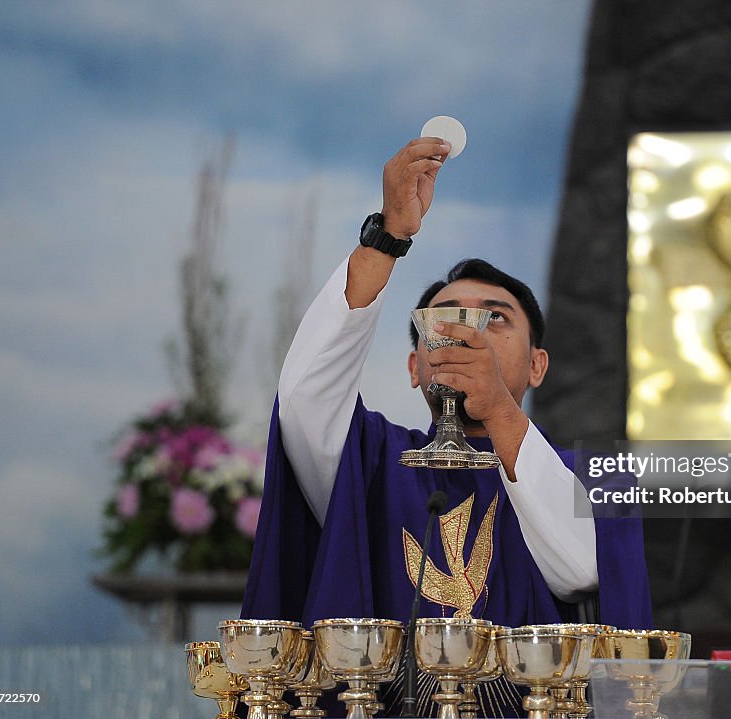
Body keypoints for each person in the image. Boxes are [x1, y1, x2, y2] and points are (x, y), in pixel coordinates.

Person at [240, 137, 652, 713]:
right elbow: (306, 397)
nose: (468, 334)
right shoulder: (375, 462)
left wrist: (499, 410)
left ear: (538, 366)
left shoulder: (593, 479)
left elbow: (581, 571)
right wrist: (388, 237)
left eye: (496, 320)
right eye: (446, 320)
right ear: (415, 366)